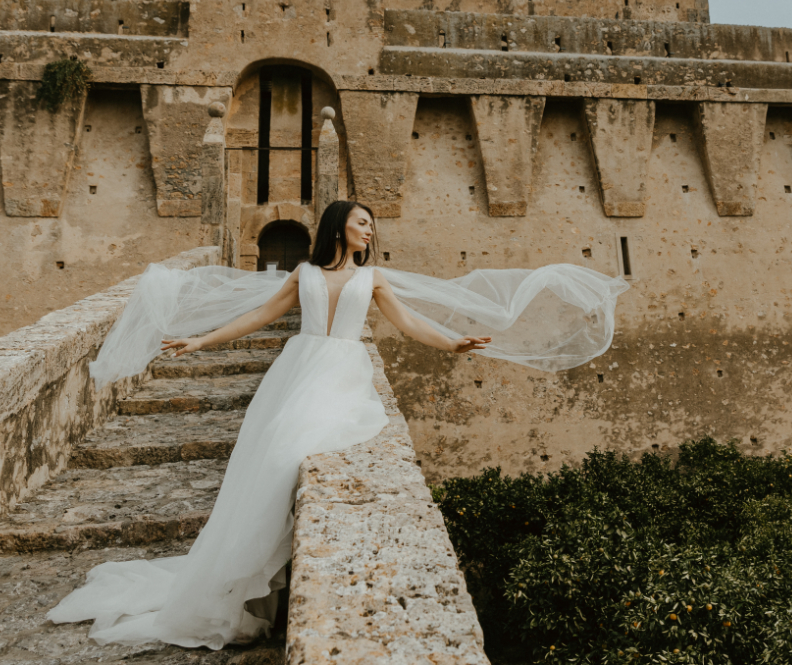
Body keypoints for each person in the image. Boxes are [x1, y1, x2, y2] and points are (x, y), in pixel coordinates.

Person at [48, 199, 627, 649]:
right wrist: (200, 340)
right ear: (338, 226)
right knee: (271, 461)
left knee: (294, 455)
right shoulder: (303, 271)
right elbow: (259, 315)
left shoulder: (374, 279)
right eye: (361, 222)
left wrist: (452, 342)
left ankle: (249, 577)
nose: (369, 230)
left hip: (343, 372)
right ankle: (232, 578)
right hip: (296, 369)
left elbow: (408, 323)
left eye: (371, 225)